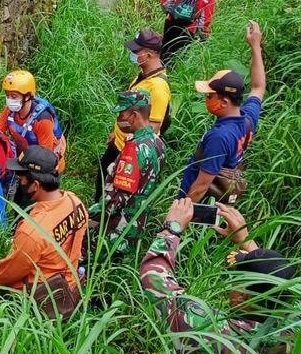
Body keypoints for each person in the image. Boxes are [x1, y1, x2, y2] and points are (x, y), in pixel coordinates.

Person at [140, 198, 296, 352]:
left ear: (244, 297)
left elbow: (154, 278)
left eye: (237, 278)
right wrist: (247, 243)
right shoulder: (293, 328)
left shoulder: (213, 332)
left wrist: (171, 228)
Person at [0, 145, 88, 318]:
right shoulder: (75, 202)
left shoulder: (33, 230)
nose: (20, 182)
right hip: (71, 284)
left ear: (35, 184)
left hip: (40, 299)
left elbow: (10, 272)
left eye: (21, 179)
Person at [178, 21, 265, 203]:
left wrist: (177, 219)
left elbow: (201, 186)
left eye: (210, 96)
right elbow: (258, 87)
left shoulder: (220, 137)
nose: (206, 99)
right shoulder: (247, 116)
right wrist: (255, 46)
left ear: (224, 101)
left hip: (198, 206)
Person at [96, 29, 170, 202]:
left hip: (128, 150)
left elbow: (153, 126)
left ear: (149, 55)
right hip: (119, 142)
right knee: (102, 177)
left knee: (113, 191)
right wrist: (117, 131)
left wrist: (129, 145)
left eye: (136, 52)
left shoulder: (158, 87)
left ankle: (101, 219)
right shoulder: (143, 75)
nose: (132, 54)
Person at [88, 90, 166, 256]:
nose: (118, 120)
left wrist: (87, 216)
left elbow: (117, 199)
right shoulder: (157, 143)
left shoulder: (133, 150)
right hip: (137, 222)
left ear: (134, 115)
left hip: (117, 227)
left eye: (121, 114)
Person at [0, 70, 66, 173]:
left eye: (14, 96)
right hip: (25, 157)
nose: (9, 100)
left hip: (47, 165)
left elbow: (45, 156)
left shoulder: (43, 120)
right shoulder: (10, 111)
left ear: (27, 96)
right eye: (7, 95)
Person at [160, 0, 217, 65]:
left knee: (165, 48)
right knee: (178, 57)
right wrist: (203, 38)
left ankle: (159, 68)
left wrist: (170, 12)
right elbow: (204, 21)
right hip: (189, 29)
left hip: (171, 22)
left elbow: (165, 3)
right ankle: (170, 72)